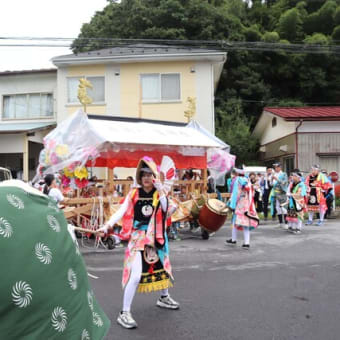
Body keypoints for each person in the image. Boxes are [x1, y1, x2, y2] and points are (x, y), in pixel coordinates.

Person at [98, 157, 179, 329]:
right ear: (139, 177)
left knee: (162, 267)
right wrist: (107, 225)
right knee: (135, 276)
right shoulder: (134, 193)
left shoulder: (159, 194)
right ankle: (124, 312)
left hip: (156, 237)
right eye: (144, 175)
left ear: (155, 177)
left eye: (150, 174)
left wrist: (161, 191)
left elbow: (165, 209)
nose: (147, 178)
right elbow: (121, 211)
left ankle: (164, 297)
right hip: (137, 238)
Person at [225, 168, 259, 249]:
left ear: (237, 173)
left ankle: (234, 239)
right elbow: (252, 193)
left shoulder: (238, 180)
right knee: (246, 224)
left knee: (234, 222)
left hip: (239, 204)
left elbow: (236, 193)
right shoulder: (247, 180)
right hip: (247, 204)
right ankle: (246, 243)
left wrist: (231, 204)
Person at [285, 169, 307, 234]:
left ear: (298, 177)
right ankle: (291, 226)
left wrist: (291, 194)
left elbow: (300, 193)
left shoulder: (301, 184)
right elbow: (288, 191)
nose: (293, 177)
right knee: (291, 213)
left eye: (294, 176)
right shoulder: (291, 184)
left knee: (298, 214)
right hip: (291, 200)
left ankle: (298, 228)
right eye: (293, 176)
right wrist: (288, 195)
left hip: (298, 201)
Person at [271, 162, 288, 229]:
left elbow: (284, 183)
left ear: (280, 167)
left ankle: (286, 223)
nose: (275, 168)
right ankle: (280, 223)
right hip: (275, 192)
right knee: (277, 208)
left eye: (276, 167)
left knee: (284, 207)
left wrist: (277, 179)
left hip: (282, 192)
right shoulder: (274, 174)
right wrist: (272, 179)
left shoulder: (284, 174)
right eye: (275, 167)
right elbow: (271, 184)